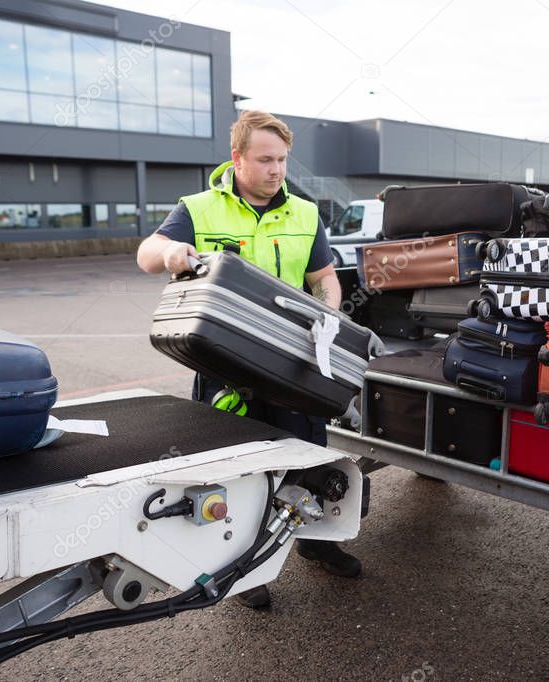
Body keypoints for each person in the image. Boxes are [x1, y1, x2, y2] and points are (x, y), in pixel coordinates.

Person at [137, 111, 361, 610]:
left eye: (282, 159)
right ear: (237, 159)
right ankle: (246, 570)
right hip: (226, 367)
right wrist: (172, 252)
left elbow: (325, 276)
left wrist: (329, 314)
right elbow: (146, 252)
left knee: (307, 456)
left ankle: (317, 543)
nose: (277, 169)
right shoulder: (198, 208)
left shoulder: (305, 214)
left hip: (294, 366)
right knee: (238, 470)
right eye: (265, 160)